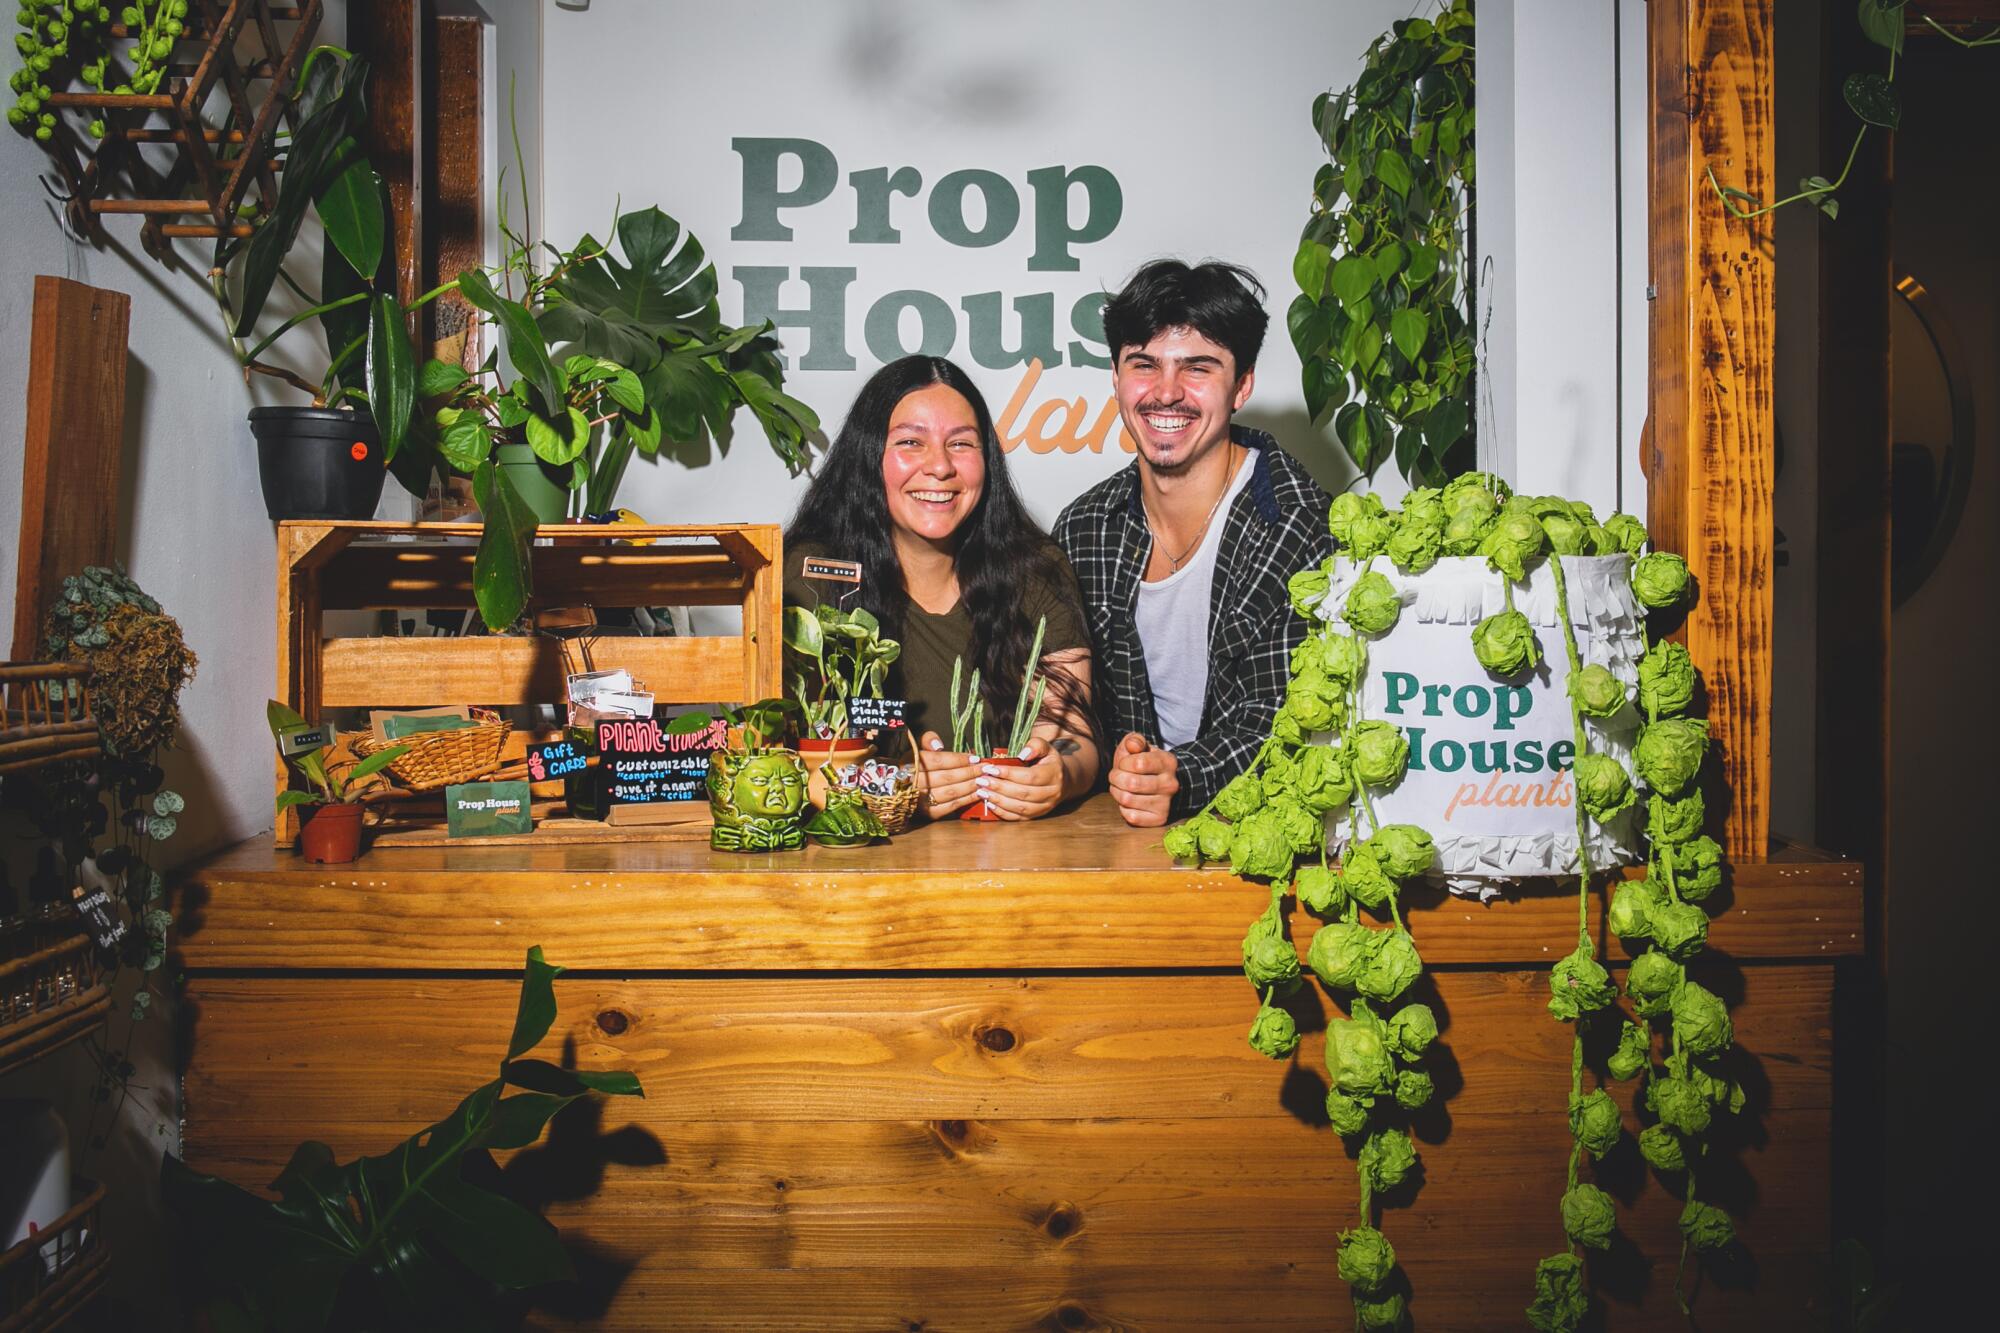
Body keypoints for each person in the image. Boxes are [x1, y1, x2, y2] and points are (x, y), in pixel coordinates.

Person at [1053, 260, 1334, 827]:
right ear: (1115, 376)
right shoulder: (1083, 529)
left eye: (1198, 368)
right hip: (1112, 835)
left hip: (1261, 832)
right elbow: (1066, 712)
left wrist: (1179, 777)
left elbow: (1290, 722)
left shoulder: (1300, 526)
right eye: (1144, 365)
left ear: (1243, 385)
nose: (1166, 393)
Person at [784, 355, 1101, 820]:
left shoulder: (1036, 568)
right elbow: (782, 758)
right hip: (864, 865)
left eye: (962, 444)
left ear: (987, 460)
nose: (940, 467)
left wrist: (1059, 775)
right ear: (869, 457)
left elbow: (1073, 733)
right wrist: (894, 786)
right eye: (911, 442)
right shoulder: (815, 572)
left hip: (1008, 863)